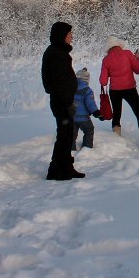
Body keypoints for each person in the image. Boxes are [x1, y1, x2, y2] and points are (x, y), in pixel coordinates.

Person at [41, 20, 84, 180]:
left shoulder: (58, 52)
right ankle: (56, 170)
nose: (72, 37)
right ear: (62, 36)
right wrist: (67, 100)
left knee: (66, 135)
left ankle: (66, 167)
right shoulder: (56, 53)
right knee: (64, 136)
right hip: (61, 102)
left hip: (63, 100)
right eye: (69, 34)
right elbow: (57, 81)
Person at [99, 35, 139, 146]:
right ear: (119, 44)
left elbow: (103, 81)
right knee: (138, 112)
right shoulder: (127, 54)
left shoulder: (106, 59)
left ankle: (117, 140)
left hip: (115, 90)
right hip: (129, 88)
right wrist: (137, 59)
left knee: (117, 114)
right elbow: (138, 70)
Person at [72, 67, 101, 151]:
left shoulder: (71, 88)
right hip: (84, 118)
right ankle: (87, 148)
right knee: (89, 130)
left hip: (72, 117)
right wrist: (96, 112)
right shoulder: (87, 90)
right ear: (87, 79)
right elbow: (90, 103)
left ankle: (70, 149)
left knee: (72, 134)